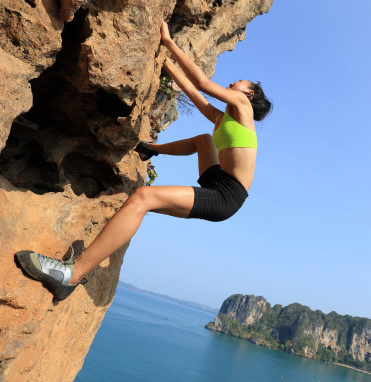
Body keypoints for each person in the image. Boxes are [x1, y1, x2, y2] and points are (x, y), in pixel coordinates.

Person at [15, 22, 272, 301]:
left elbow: (203, 84)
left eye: (240, 83)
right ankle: (151, 149)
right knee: (204, 140)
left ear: (249, 94)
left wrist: (169, 43)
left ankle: (71, 275)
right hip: (218, 179)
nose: (234, 82)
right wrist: (167, 64)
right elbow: (197, 99)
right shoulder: (226, 120)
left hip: (225, 196)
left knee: (142, 197)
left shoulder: (243, 106)